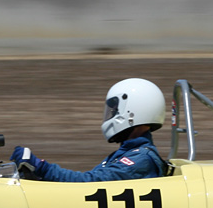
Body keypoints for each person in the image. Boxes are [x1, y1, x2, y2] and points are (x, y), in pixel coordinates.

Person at [10, 78, 167, 182]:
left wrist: (43, 169)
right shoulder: (129, 153)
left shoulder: (140, 160)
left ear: (132, 112)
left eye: (115, 111)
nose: (111, 114)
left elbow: (91, 183)